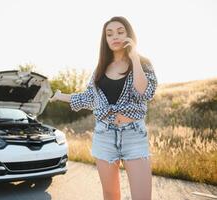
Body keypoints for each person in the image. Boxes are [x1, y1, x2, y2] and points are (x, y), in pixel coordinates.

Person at [49, 16, 157, 200]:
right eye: (109, 34)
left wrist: (134, 57)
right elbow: (88, 98)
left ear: (129, 34)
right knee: (110, 195)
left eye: (120, 32)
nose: (115, 36)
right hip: (104, 135)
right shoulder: (101, 68)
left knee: (142, 196)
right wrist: (60, 96)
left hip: (133, 135)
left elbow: (145, 92)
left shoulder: (143, 62)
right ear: (105, 39)